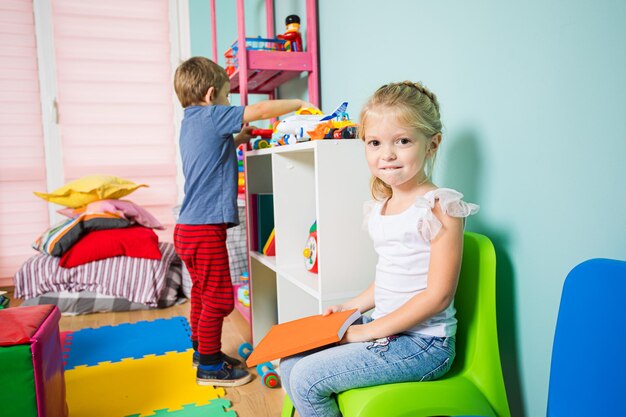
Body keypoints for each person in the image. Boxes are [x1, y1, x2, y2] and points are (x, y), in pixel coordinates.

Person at [280, 81, 479, 416]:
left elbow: (437, 297)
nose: (387, 154)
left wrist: (366, 331)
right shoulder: (382, 206)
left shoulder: (438, 206)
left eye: (402, 141)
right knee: (290, 362)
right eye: (375, 143)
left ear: (432, 145)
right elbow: (390, 278)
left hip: (423, 344)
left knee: (307, 381)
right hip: (388, 329)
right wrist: (348, 308)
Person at [173, 56, 315, 387]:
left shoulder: (191, 121)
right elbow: (261, 111)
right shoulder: (212, 114)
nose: (229, 104)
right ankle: (209, 366)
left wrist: (238, 139)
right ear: (211, 95)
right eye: (227, 96)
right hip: (204, 230)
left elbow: (210, 154)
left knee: (202, 293)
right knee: (221, 299)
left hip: (188, 229)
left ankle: (201, 349)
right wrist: (299, 102)